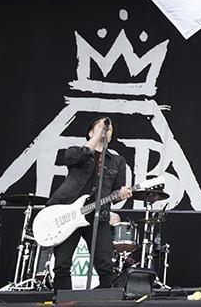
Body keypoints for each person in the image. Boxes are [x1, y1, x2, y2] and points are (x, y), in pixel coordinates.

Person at [46, 117, 132, 290]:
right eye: (100, 126)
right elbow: (73, 160)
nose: (105, 129)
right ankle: (64, 300)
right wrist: (96, 138)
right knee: (62, 263)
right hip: (68, 212)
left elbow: (115, 194)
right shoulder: (74, 151)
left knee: (105, 264)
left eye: (108, 128)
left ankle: (103, 299)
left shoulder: (117, 161)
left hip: (97, 215)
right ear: (91, 132)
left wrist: (122, 194)